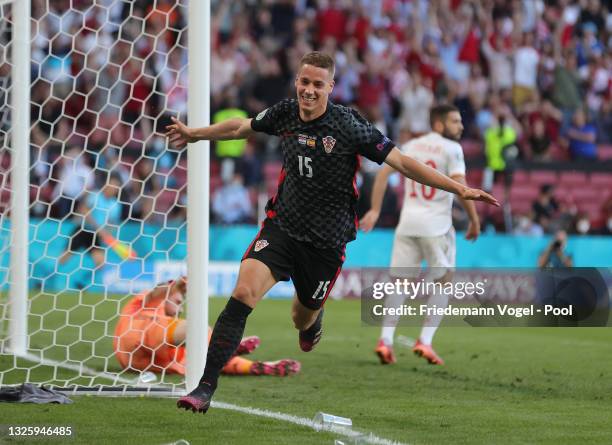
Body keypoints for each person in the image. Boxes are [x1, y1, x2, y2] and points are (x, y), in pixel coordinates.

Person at [165, 51, 498, 414]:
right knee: (243, 292)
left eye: (317, 85)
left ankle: (313, 319)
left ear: (330, 87)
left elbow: (402, 162)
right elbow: (240, 127)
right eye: (304, 82)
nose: (309, 91)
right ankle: (205, 387)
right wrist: (194, 134)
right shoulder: (285, 113)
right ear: (297, 81)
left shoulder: (348, 126)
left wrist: (458, 188)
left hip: (326, 243)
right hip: (282, 227)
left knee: (301, 318)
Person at [360, 105, 480, 366]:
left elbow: (382, 175)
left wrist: (375, 210)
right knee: (444, 282)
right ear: (438, 124)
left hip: (407, 224)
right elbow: (463, 189)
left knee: (400, 285)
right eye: (455, 121)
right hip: (436, 227)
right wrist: (474, 219)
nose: (460, 126)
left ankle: (385, 340)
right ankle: (425, 341)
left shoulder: (412, 145)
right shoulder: (453, 149)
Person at [113, 276, 301, 377]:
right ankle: (230, 345)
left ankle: (260, 367)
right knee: (197, 328)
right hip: (139, 334)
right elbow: (156, 292)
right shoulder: (146, 305)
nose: (180, 306)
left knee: (210, 360)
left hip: (145, 361)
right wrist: (176, 284)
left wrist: (255, 367)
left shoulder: (172, 336)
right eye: (177, 301)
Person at [58, 175, 123, 268]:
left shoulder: (116, 205)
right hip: (82, 230)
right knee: (64, 257)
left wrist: (106, 232)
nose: (112, 188)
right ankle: (48, 278)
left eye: (116, 186)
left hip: (95, 235)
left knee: (101, 263)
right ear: (106, 184)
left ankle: (83, 281)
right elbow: (84, 210)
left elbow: (112, 224)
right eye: (111, 184)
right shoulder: (95, 195)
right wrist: (98, 227)